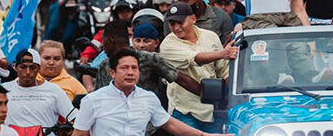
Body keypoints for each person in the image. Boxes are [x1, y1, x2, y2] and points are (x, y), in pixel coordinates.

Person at [72, 49, 223, 136]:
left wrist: (205, 135)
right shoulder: (93, 100)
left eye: (134, 68)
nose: (130, 72)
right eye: (124, 68)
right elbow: (79, 134)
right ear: (112, 73)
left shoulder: (148, 98)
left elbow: (171, 125)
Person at [160, 3, 237, 132]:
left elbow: (223, 70)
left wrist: (225, 99)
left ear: (193, 19)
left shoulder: (210, 36)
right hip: (184, 110)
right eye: (172, 24)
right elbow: (195, 58)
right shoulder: (167, 45)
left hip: (213, 110)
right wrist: (223, 53)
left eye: (180, 22)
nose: (176, 28)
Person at [4, 49, 76, 129]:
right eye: (23, 67)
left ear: (39, 68)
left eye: (33, 67)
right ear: (15, 67)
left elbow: (75, 118)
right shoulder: (3, 90)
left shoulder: (54, 90)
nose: (28, 72)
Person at [164, 0, 233, 44]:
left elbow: (227, 46)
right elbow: (168, 44)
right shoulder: (171, 18)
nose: (184, 3)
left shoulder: (221, 17)